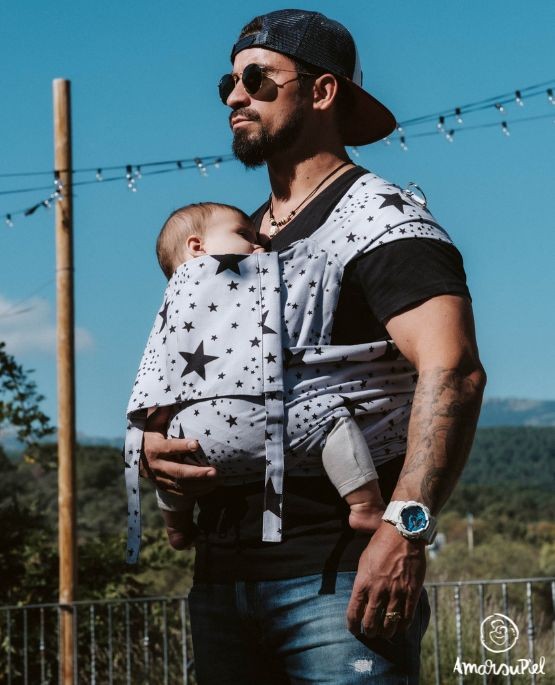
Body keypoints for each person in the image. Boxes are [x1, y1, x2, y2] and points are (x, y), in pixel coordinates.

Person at [138, 9, 486, 684]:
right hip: (221, 581)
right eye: (229, 83)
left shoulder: (383, 221)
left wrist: (406, 529)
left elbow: (455, 371)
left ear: (322, 91)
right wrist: (158, 443)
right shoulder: (233, 240)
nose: (235, 97)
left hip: (337, 582)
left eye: (257, 79)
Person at [126, 200, 387, 553]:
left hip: (198, 441)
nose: (260, 245)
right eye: (244, 235)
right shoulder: (268, 279)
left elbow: (157, 371)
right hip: (280, 420)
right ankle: (365, 505)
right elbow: (313, 267)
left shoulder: (170, 305)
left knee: (173, 454)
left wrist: (147, 427)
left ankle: (177, 526)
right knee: (332, 420)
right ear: (197, 246)